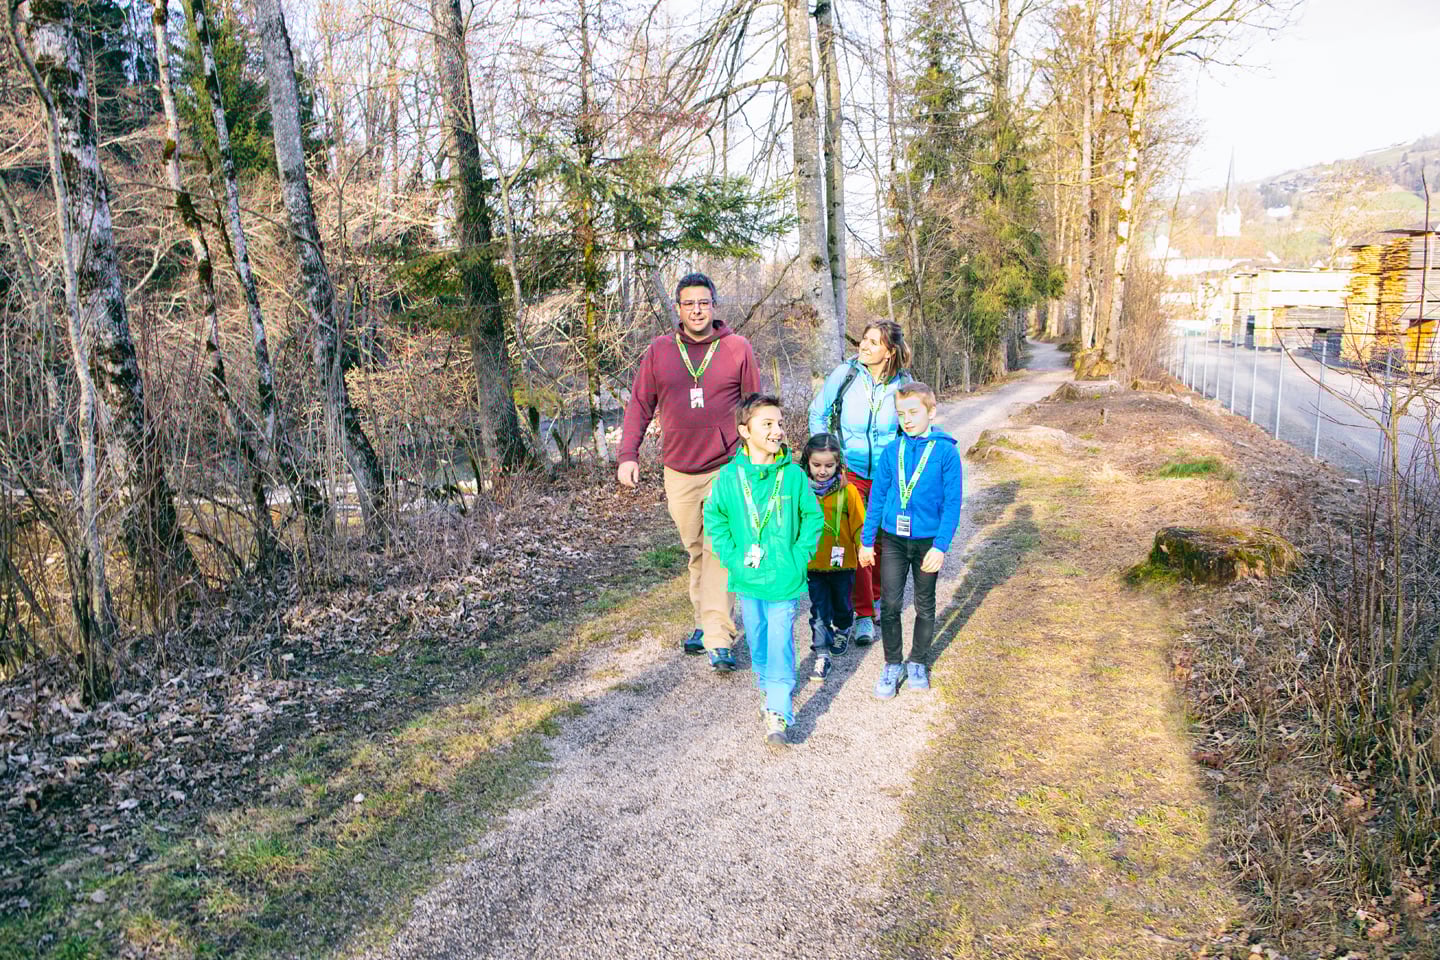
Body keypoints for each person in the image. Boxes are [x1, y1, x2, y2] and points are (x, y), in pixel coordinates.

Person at [618, 273, 759, 661]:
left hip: (725, 467)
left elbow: (755, 406)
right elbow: (639, 406)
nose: (697, 310)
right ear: (678, 309)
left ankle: (718, 637)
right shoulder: (660, 351)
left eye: (704, 303)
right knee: (696, 549)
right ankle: (705, 618)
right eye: (689, 304)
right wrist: (628, 454)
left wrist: (763, 458)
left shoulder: (736, 348)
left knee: (719, 549)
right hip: (678, 469)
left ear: (714, 307)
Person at [704, 393, 824, 746]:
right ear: (745, 431)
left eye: (780, 424)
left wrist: (798, 556)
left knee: (780, 642)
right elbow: (716, 518)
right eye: (767, 424)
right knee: (757, 640)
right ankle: (766, 687)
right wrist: (731, 556)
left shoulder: (793, 477)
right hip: (747, 577)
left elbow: (812, 518)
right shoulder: (729, 478)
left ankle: (778, 709)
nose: (777, 431)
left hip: (784, 579)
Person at [806, 320, 912, 647]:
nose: (863, 346)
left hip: (887, 475)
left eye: (872, 342)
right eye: (863, 340)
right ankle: (863, 614)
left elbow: (914, 427)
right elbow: (817, 412)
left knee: (882, 539)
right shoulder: (846, 375)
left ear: (889, 351)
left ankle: (876, 598)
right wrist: (827, 455)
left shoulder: (904, 385)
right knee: (859, 541)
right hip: (850, 470)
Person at [858, 382, 963, 700]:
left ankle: (917, 661)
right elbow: (877, 498)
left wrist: (941, 546)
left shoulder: (946, 451)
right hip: (892, 540)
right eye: (900, 414)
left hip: (927, 543)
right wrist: (866, 541)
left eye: (914, 412)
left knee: (924, 604)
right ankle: (892, 664)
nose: (906, 419)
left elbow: (952, 503)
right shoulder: (892, 452)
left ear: (931, 412)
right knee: (889, 604)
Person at [800, 434, 866, 680]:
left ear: (838, 465)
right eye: (817, 465)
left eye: (829, 466)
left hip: (842, 562)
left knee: (841, 603)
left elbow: (860, 523)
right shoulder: (801, 491)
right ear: (807, 462)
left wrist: (863, 547)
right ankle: (821, 653)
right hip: (813, 562)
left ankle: (844, 627)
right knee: (818, 610)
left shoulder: (848, 492)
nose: (823, 471)